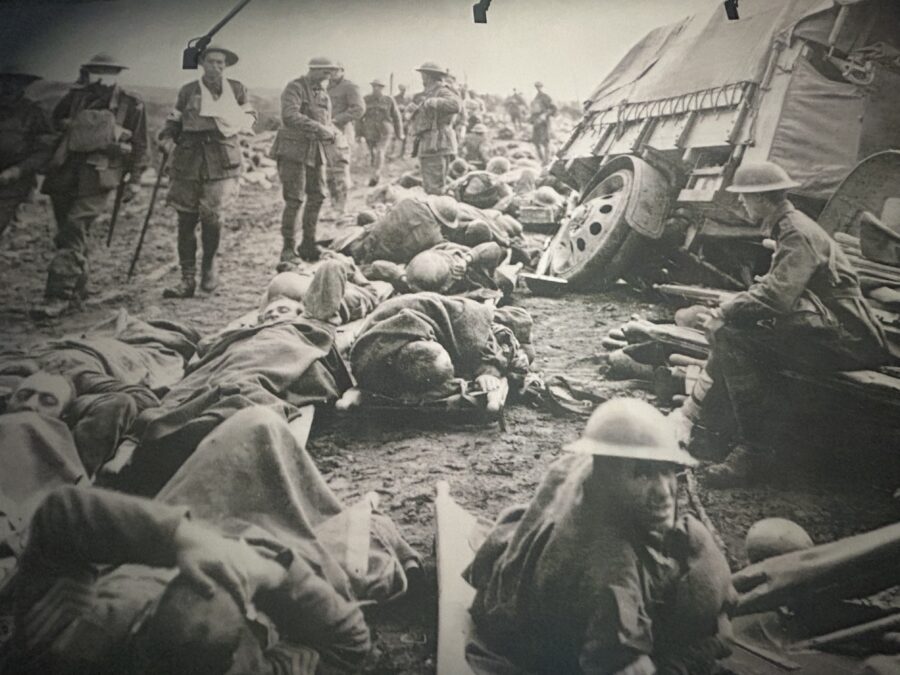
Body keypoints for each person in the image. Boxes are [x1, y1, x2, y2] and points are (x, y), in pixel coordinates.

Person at [465, 398, 735, 675]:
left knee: (699, 553)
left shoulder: (579, 466)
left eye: (668, 471)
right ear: (606, 474)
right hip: (556, 644)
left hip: (523, 593)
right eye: (643, 475)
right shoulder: (614, 578)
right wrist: (707, 648)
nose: (664, 491)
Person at [672, 161, 890, 487]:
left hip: (850, 339)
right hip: (830, 331)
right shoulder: (789, 226)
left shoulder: (796, 232)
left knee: (731, 335)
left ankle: (754, 451)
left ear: (762, 198)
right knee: (732, 334)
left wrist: (729, 309)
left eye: (745, 198)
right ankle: (706, 424)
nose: (742, 204)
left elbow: (776, 297)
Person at [37, 53, 148, 316]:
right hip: (65, 173)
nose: (103, 76)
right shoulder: (75, 97)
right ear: (89, 72)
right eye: (97, 71)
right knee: (69, 232)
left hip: (99, 176)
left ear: (117, 74)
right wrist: (72, 127)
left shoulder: (131, 104)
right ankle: (78, 289)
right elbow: (54, 126)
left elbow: (141, 145)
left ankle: (58, 296)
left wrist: (135, 180)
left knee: (75, 226)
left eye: (109, 71)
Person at [157, 45, 255, 299]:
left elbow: (249, 113)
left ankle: (209, 264)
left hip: (221, 158)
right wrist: (167, 138)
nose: (216, 67)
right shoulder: (188, 90)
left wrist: (243, 123)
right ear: (202, 63)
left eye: (221, 63)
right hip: (188, 158)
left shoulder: (236, 89)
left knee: (212, 217)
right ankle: (186, 278)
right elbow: (174, 120)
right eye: (212, 62)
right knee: (186, 219)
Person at [349, 293, 532, 400]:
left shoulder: (463, 327)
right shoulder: (367, 363)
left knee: (518, 327)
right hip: (390, 313)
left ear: (430, 340)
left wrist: (488, 370)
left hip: (442, 311)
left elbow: (490, 340)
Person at [272, 57, 339, 265]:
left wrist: (331, 132)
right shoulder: (295, 88)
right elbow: (289, 115)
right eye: (325, 72)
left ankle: (308, 243)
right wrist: (320, 129)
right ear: (314, 70)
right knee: (294, 199)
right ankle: (288, 249)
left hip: (315, 151)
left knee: (317, 195)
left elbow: (325, 122)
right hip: (293, 151)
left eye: (330, 73)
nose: (328, 77)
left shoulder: (323, 94)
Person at [0, 65, 53, 238]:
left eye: (16, 83)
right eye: (5, 81)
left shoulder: (34, 113)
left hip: (11, 185)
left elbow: (44, 150)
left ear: (24, 86)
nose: (9, 87)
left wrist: (18, 170)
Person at [407, 62, 462, 195]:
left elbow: (455, 105)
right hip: (431, 143)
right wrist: (418, 110)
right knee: (432, 185)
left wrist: (433, 102)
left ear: (428, 77)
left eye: (423, 75)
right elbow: (430, 115)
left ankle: (437, 212)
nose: (422, 79)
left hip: (436, 143)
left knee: (434, 188)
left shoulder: (441, 90)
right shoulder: (431, 92)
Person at [326, 63, 365, 215]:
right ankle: (333, 204)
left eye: (336, 70)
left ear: (342, 70)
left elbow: (359, 109)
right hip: (326, 133)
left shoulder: (350, 87)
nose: (332, 73)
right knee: (328, 172)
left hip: (342, 131)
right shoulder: (325, 87)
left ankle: (341, 207)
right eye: (329, 70)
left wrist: (337, 119)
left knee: (340, 170)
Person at [360, 79, 403, 187]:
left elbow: (396, 117)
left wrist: (399, 133)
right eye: (374, 86)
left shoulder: (389, 100)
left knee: (380, 151)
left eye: (379, 87)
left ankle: (376, 174)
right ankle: (374, 175)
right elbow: (360, 117)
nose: (376, 89)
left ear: (383, 88)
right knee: (372, 154)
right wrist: (358, 133)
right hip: (369, 130)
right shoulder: (366, 99)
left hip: (385, 130)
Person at [529, 81, 557, 165]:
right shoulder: (535, 98)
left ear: (542, 87)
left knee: (545, 142)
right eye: (536, 87)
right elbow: (533, 112)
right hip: (536, 122)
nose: (538, 88)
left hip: (544, 122)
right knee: (536, 141)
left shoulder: (546, 97)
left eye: (539, 87)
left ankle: (546, 160)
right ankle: (542, 160)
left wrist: (545, 114)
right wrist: (531, 119)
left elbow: (553, 109)